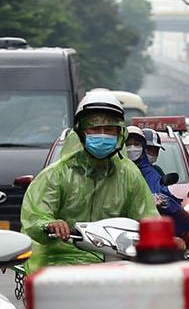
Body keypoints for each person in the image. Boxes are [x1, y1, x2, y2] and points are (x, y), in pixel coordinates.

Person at [21, 89, 157, 273]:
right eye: (94, 129)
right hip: (60, 261)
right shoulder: (56, 174)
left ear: (120, 134)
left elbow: (148, 216)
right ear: (80, 132)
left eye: (109, 129)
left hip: (118, 260)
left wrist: (164, 237)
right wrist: (50, 225)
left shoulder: (129, 175)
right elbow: (35, 217)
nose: (102, 135)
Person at [130, 126, 189, 238]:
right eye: (128, 144)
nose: (132, 148)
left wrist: (161, 201)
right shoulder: (113, 169)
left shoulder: (153, 173)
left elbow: (162, 196)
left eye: (136, 144)